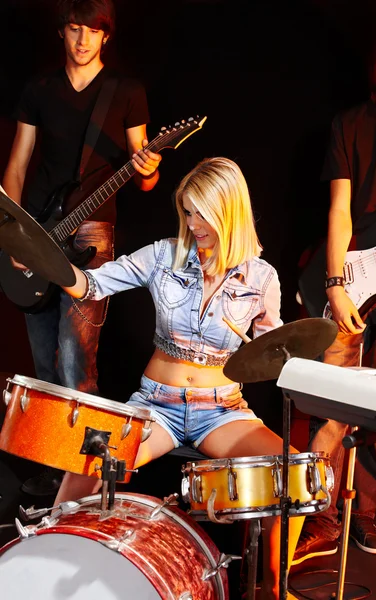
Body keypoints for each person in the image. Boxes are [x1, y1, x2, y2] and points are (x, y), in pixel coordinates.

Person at [50, 156, 303, 599]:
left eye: (202, 212)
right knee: (88, 458)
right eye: (187, 211)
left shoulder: (261, 277)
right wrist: (46, 262)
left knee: (293, 474)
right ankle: (51, 558)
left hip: (221, 411)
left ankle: (271, 587)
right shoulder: (164, 254)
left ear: (229, 210)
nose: (193, 223)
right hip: (157, 404)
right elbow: (92, 284)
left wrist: (294, 351)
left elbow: (274, 351)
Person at [1, 0, 162, 496]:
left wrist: (149, 167)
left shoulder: (125, 92)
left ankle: (84, 483)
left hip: (92, 233)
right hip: (38, 231)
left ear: (106, 37)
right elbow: (18, 164)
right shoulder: (39, 90)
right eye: (74, 29)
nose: (83, 40)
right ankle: (54, 471)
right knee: (46, 367)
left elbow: (148, 180)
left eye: (93, 31)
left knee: (76, 362)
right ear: (62, 32)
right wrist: (12, 229)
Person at [292, 28, 376, 565]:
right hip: (353, 273)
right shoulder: (351, 126)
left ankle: (365, 514)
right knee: (334, 403)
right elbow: (340, 208)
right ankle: (319, 517)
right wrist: (335, 282)